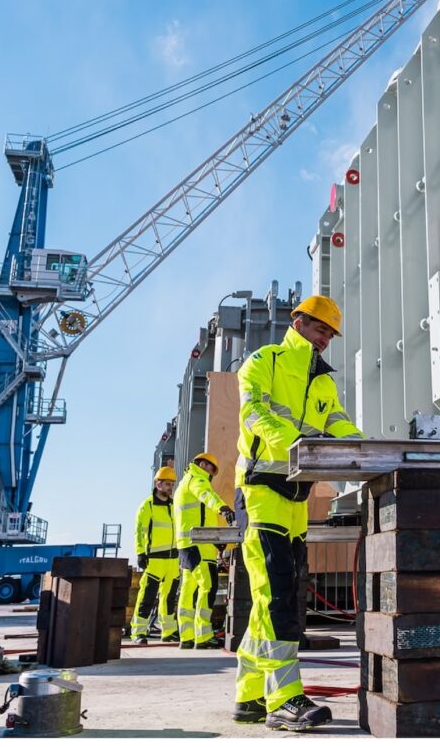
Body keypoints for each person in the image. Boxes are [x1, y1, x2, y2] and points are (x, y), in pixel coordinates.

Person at [232, 295, 362, 730]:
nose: (326, 339)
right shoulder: (262, 361)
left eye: (330, 333)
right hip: (261, 492)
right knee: (277, 596)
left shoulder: (324, 381)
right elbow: (254, 413)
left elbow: (338, 423)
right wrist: (298, 447)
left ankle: (249, 695)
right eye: (321, 329)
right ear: (299, 322)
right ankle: (283, 701)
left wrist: (361, 451)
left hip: (296, 497)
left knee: (274, 597)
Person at [173, 452, 235, 650]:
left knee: (189, 589)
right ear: (202, 464)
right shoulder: (196, 480)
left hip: (189, 544)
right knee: (207, 586)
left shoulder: (185, 483)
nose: (211, 474)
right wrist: (224, 508)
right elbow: (207, 496)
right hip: (198, 545)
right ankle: (203, 635)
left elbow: (201, 516)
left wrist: (216, 540)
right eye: (211, 469)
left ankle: (187, 635)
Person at [131, 464, 179, 644]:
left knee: (169, 598)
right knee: (147, 596)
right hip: (154, 559)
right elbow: (139, 530)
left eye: (172, 484)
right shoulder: (147, 506)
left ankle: (168, 632)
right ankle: (138, 632)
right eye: (167, 484)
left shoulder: (174, 506)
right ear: (158, 484)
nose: (170, 487)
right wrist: (140, 553)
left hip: (173, 559)